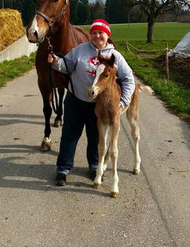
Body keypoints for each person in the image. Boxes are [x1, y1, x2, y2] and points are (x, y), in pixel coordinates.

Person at [48, 18, 135, 186]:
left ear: (107, 35)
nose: (97, 36)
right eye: (94, 32)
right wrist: (55, 62)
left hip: (99, 105)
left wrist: (123, 102)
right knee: (70, 135)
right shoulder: (80, 50)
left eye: (100, 33)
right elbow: (66, 65)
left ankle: (95, 166)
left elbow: (128, 79)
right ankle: (63, 169)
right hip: (76, 99)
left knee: (96, 136)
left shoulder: (115, 56)